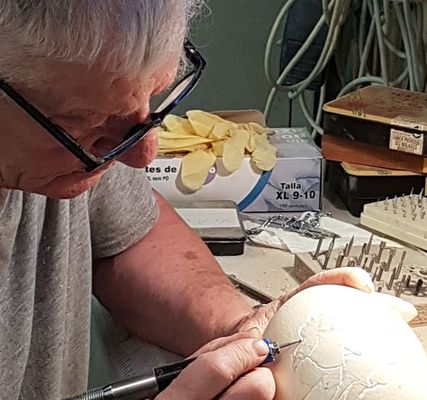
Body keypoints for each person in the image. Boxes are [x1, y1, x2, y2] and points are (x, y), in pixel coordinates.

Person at [0, 2, 374, 399]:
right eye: (84, 122)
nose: (144, 154)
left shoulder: (67, 127)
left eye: (156, 95)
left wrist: (239, 328)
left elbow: (129, 238)